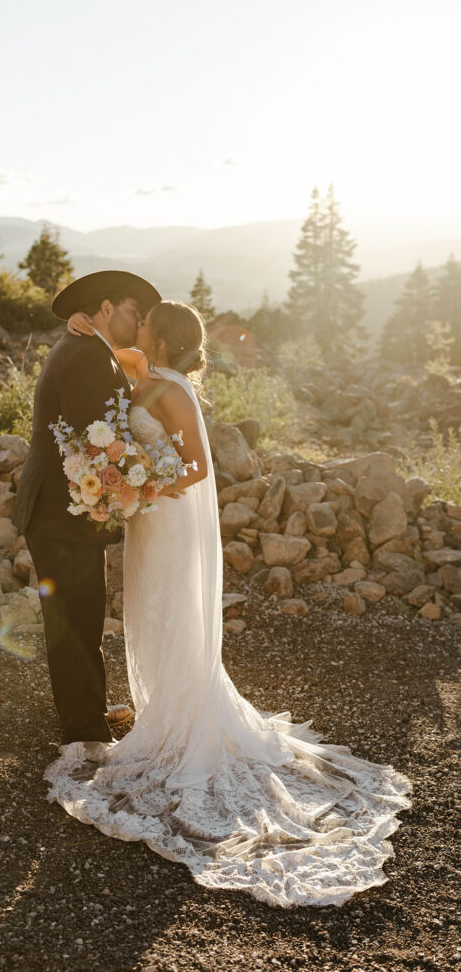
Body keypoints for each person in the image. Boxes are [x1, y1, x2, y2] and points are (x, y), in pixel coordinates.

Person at [43, 299, 412, 908]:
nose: (139, 328)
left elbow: (191, 465)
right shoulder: (151, 375)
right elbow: (115, 352)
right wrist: (81, 325)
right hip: (148, 520)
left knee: (174, 613)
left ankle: (182, 718)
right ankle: (160, 704)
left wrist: (137, 483)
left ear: (161, 335)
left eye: (147, 323)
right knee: (151, 611)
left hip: (166, 513)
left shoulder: (174, 391)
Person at [13, 270, 161, 745]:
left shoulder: (91, 349)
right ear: (105, 309)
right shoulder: (84, 356)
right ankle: (83, 729)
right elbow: (94, 441)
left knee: (84, 614)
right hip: (63, 511)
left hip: (72, 509)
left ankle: (89, 709)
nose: (137, 321)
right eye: (133, 311)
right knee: (71, 621)